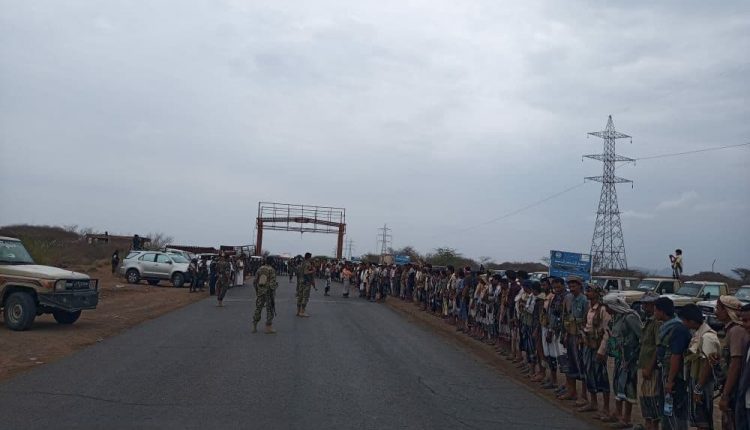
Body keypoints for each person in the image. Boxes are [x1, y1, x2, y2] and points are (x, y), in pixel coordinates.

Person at [603, 294, 642, 428]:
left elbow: (640, 338)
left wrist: (633, 357)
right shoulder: (617, 317)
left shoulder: (630, 317)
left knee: (628, 386)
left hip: (629, 359)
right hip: (620, 357)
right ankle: (617, 413)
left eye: (607, 306)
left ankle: (626, 418)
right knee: (618, 384)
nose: (606, 309)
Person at [680, 303, 720, 430]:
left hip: (702, 383)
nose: (683, 323)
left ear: (691, 321)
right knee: (698, 419)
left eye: (684, 320)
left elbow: (708, 363)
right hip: (695, 379)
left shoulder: (707, 336)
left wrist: (698, 388)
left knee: (703, 419)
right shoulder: (698, 333)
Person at [654, 296, 692, 430]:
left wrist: (670, 381)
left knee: (676, 411)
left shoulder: (677, 329)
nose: (654, 313)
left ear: (662, 312)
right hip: (666, 373)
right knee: (667, 409)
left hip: (676, 378)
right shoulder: (667, 327)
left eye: (655, 310)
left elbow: (676, 356)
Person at [715, 295, 750, 430]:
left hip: (736, 388)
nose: (716, 312)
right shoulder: (731, 330)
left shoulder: (736, 330)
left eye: (718, 308)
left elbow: (735, 364)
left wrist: (726, 395)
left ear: (727, 311)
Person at [579, 285, 612, 420]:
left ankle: (605, 408)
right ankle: (593, 403)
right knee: (589, 372)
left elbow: (607, 332)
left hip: (598, 347)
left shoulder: (603, 310)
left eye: (590, 291)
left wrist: (602, 350)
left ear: (597, 293)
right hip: (588, 344)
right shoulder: (589, 307)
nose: (587, 293)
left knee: (602, 376)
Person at [558, 276, 588, 404]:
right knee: (569, 363)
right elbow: (566, 316)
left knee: (582, 365)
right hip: (569, 334)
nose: (571, 288)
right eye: (570, 285)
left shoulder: (585, 300)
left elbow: (586, 321)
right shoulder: (568, 298)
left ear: (580, 286)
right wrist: (564, 333)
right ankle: (571, 391)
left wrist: (582, 337)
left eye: (574, 285)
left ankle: (584, 396)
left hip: (580, 337)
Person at [637, 292, 663, 430]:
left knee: (652, 400)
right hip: (646, 366)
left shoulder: (657, 323)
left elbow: (658, 347)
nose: (644, 307)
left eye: (647, 304)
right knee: (645, 399)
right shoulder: (649, 320)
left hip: (653, 369)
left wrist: (650, 367)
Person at [542, 277, 568, 391]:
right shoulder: (555, 297)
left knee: (563, 358)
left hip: (561, 331)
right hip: (552, 329)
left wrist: (552, 330)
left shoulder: (566, 297)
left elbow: (561, 316)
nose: (556, 289)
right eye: (554, 287)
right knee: (552, 355)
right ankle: (554, 380)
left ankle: (566, 385)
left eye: (558, 287)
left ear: (563, 285)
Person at [252, 259, 278, 334]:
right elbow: (272, 284)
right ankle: (268, 328)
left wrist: (257, 291)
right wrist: (275, 287)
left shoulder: (260, 269)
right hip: (268, 292)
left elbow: (255, 281)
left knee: (258, 308)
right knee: (269, 309)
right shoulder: (271, 270)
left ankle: (254, 326)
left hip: (260, 291)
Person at [297, 252, 315, 317]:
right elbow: (306, 272)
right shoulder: (308, 264)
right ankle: (302, 312)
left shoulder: (302, 263)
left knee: (300, 296)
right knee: (305, 297)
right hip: (306, 282)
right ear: (309, 257)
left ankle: (298, 311)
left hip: (301, 281)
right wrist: (313, 271)